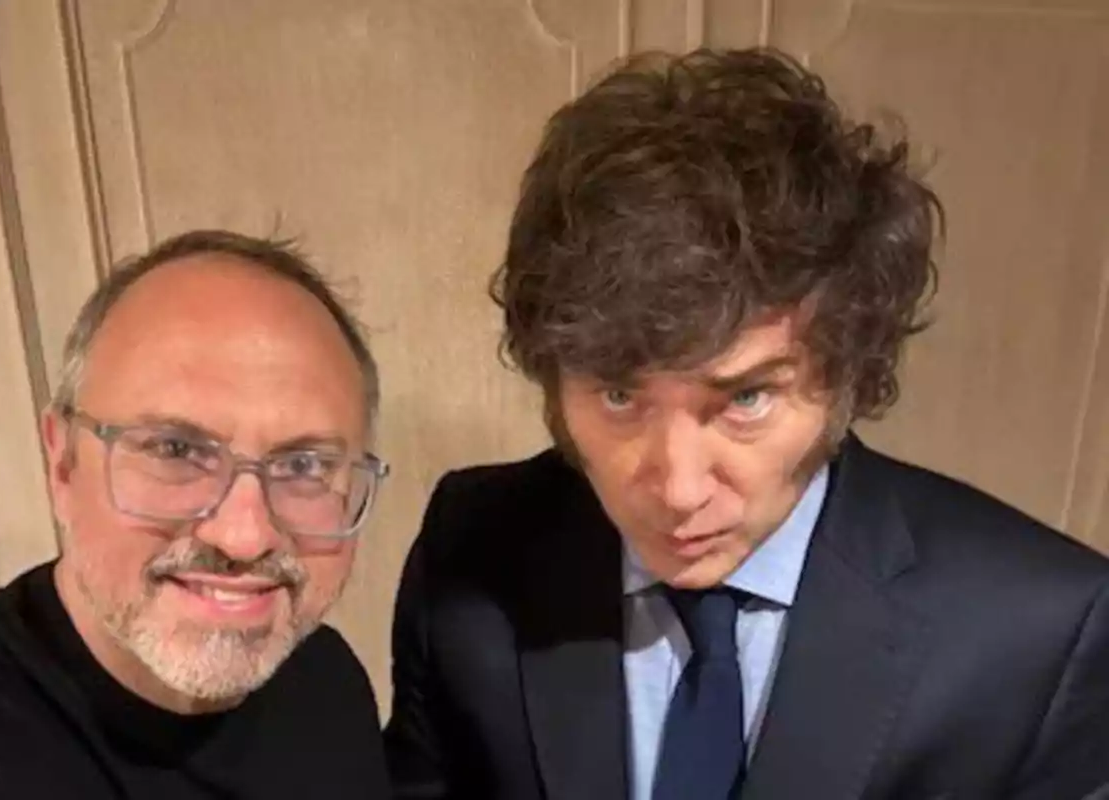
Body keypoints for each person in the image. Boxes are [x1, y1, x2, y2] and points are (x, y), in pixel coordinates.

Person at [383, 47, 1109, 800]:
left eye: (745, 399)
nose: (678, 488)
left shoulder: (1045, 632)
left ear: (847, 372)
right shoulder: (471, 549)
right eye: (620, 397)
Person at [0, 230, 393, 798]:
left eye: (304, 465)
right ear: (63, 461)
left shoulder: (325, 680)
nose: (244, 537)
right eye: (176, 450)